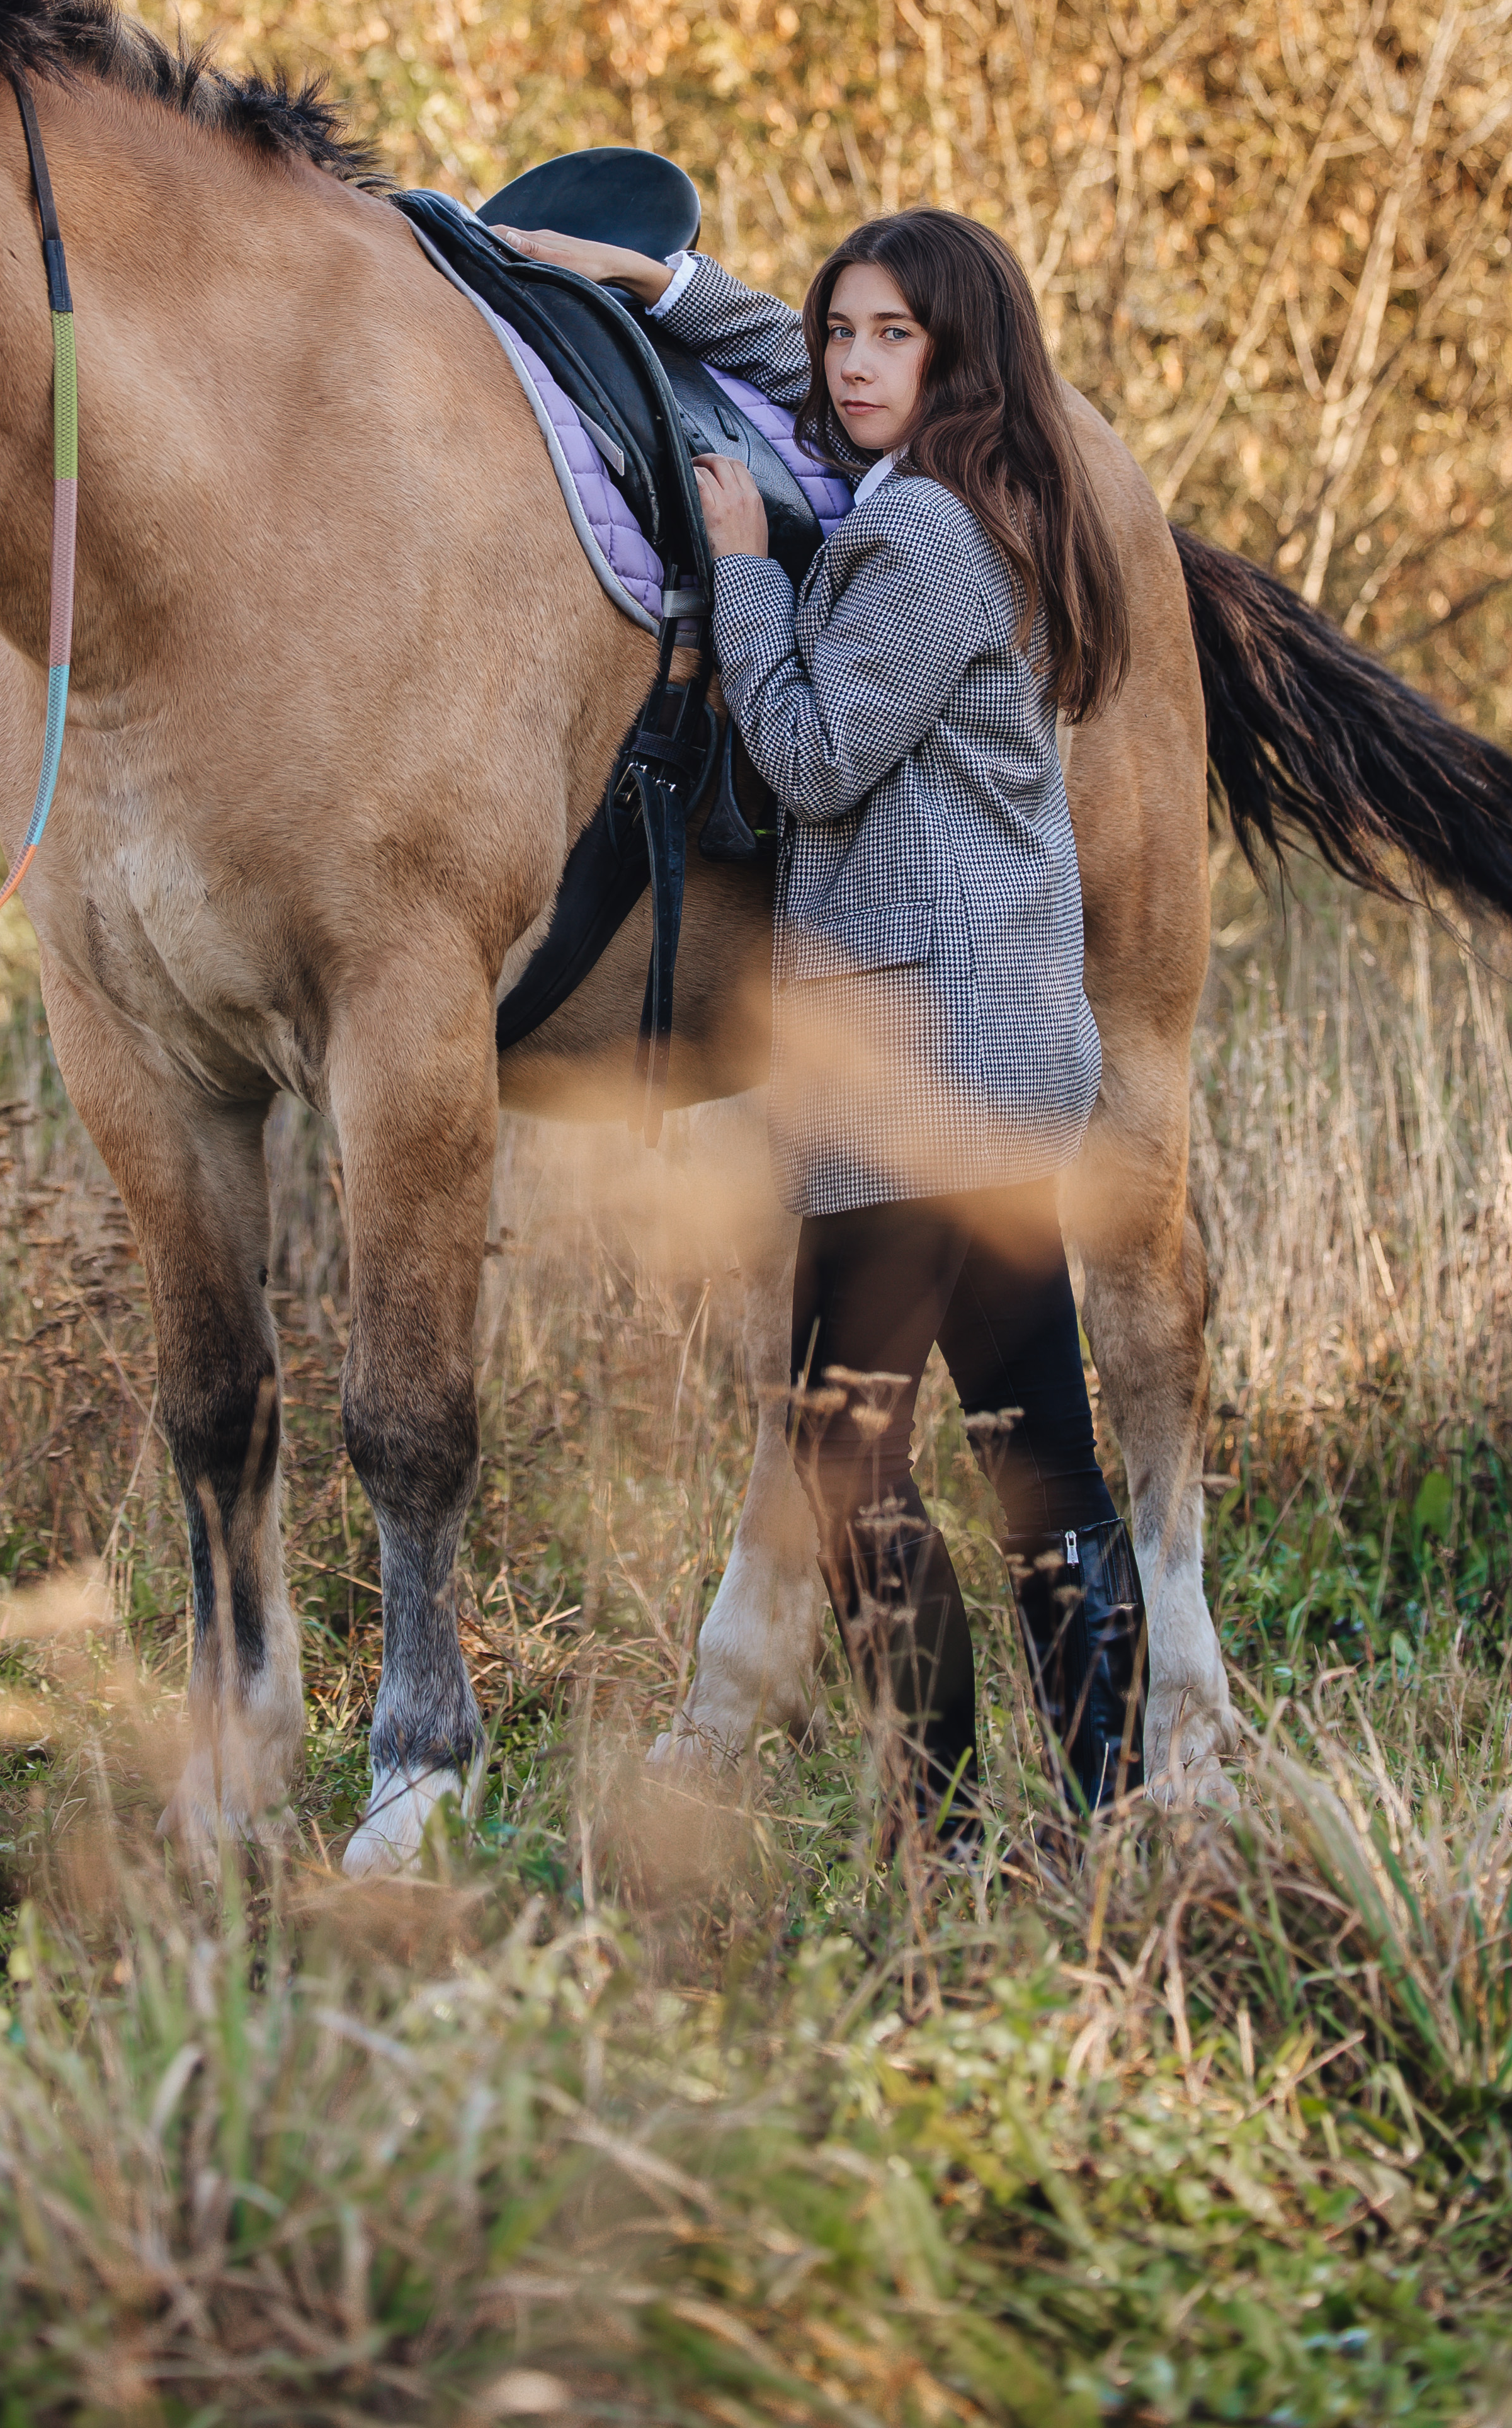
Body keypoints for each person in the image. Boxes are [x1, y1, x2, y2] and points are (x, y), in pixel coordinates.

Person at [494, 203, 1143, 1849]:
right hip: (983, 1043)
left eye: (888, 340)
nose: (851, 368)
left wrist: (741, 575)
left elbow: (812, 752)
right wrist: (667, 287)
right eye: (840, 333)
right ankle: (1118, 1814)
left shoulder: (922, 537)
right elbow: (818, 368)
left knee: (848, 1467)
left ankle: (946, 1832)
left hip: (919, 1063)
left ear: (956, 360)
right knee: (1033, 1447)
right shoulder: (979, 478)